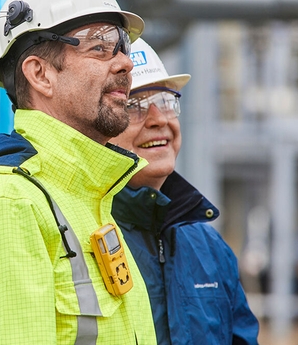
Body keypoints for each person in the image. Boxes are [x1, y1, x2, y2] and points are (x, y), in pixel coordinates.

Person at [0, 0, 157, 344]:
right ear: (40, 74)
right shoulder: (4, 207)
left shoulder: (88, 200)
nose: (125, 63)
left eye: (121, 45)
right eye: (99, 46)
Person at [110, 38, 260, 345]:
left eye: (166, 101)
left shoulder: (209, 247)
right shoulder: (79, 232)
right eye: (134, 105)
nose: (159, 119)